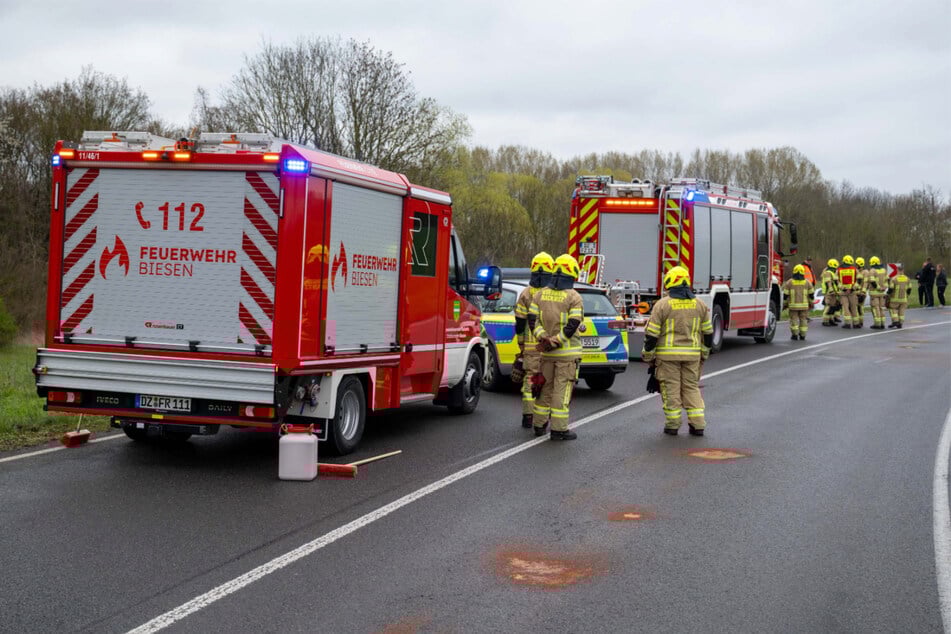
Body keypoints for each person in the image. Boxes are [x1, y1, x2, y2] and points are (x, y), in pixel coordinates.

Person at [641, 266, 714, 436]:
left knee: (671, 389)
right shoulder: (700, 305)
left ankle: (673, 425)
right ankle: (698, 424)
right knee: (691, 388)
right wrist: (704, 352)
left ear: (669, 283)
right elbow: (708, 333)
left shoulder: (662, 305)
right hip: (692, 356)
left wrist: (648, 355)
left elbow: (652, 335)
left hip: (667, 357)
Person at [528, 254, 584, 441]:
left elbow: (532, 320)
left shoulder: (539, 294)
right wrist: (557, 341)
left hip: (547, 354)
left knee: (544, 388)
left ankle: (538, 424)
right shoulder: (573, 296)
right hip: (566, 355)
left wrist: (542, 337)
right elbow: (574, 323)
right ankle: (559, 429)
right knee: (562, 390)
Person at [513, 252, 554, 428]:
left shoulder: (526, 293)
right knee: (547, 383)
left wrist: (521, 344)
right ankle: (542, 419)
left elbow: (520, 322)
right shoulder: (553, 293)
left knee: (530, 380)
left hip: (530, 348)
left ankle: (528, 417)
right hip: (549, 346)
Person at [783, 264, 814, 340]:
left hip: (793, 306)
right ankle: (803, 335)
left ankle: (795, 335)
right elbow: (811, 295)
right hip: (804, 306)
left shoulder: (789, 282)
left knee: (794, 320)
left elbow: (785, 295)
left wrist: (785, 304)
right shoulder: (807, 282)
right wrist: (811, 302)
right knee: (803, 320)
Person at [836, 255, 860, 328]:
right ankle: (856, 323)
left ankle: (847, 323)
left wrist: (844, 289)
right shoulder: (855, 269)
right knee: (853, 307)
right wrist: (852, 289)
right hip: (852, 292)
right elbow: (859, 280)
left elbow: (836, 281)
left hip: (843, 292)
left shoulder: (838, 270)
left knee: (845, 307)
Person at [865, 256, 889, 329]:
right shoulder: (884, 270)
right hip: (882, 293)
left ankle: (877, 324)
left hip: (874, 293)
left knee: (875, 308)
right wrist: (884, 288)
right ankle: (882, 323)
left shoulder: (872, 270)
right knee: (881, 307)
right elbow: (887, 280)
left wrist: (878, 288)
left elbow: (872, 281)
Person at [820, 258, 840, 326]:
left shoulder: (832, 272)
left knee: (832, 306)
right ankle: (825, 321)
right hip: (829, 292)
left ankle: (831, 320)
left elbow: (836, 283)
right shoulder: (828, 272)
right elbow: (828, 283)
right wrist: (831, 290)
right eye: (835, 265)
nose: (836, 267)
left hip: (834, 292)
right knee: (828, 306)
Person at [854, 257, 868, 328]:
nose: (856, 265)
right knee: (856, 308)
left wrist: (863, 292)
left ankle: (860, 322)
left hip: (861, 293)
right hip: (856, 293)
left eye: (857, 264)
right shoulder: (857, 271)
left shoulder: (865, 272)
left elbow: (866, 283)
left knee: (860, 308)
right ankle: (858, 322)